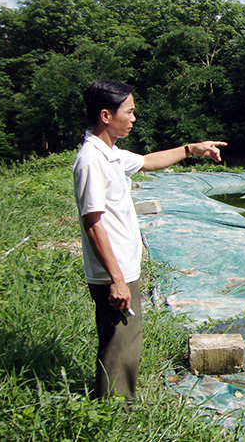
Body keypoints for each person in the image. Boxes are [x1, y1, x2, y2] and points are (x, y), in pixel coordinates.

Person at [73, 79, 226, 401]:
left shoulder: (111, 154)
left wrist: (191, 149)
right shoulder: (91, 160)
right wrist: (116, 279)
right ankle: (114, 415)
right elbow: (93, 224)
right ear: (106, 115)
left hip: (123, 269)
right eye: (128, 112)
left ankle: (114, 407)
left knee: (125, 344)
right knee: (120, 347)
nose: (133, 118)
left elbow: (147, 161)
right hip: (114, 273)